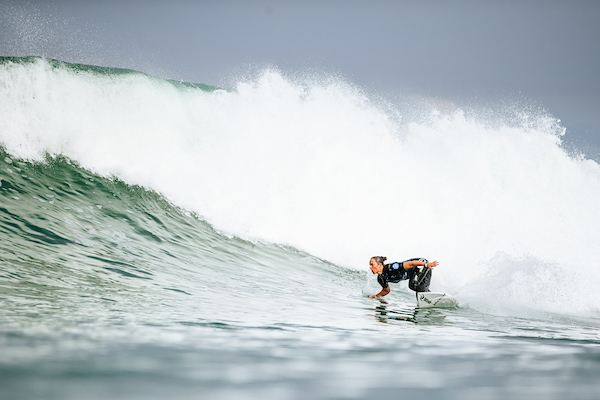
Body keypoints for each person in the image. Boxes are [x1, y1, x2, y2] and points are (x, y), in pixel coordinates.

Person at [368, 256, 439, 298]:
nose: (370, 267)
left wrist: (426, 265)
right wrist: (375, 296)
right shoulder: (381, 278)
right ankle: (433, 299)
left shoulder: (392, 267)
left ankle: (433, 297)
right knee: (420, 295)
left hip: (420, 264)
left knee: (413, 285)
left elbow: (411, 264)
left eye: (372, 264)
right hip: (416, 271)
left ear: (380, 265)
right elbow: (386, 290)